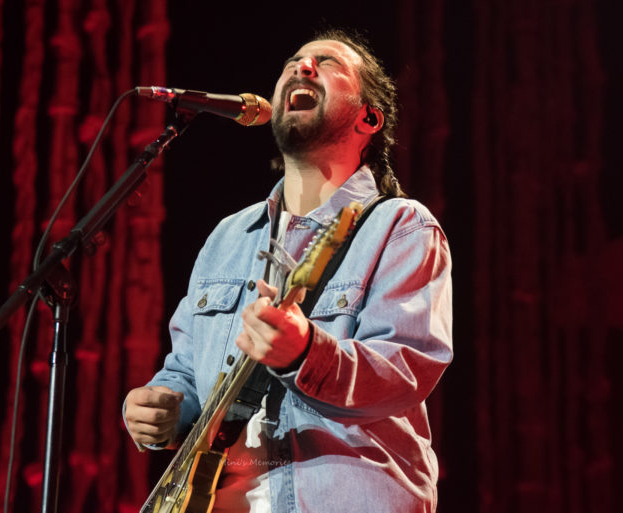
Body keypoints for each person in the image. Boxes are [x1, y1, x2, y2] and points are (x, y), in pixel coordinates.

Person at [124, 28, 453, 513]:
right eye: (294, 61)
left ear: (369, 118)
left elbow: (405, 370)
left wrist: (304, 353)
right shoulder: (227, 238)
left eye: (328, 63)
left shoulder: (399, 226)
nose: (302, 67)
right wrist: (160, 405)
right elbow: (187, 372)